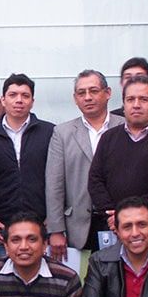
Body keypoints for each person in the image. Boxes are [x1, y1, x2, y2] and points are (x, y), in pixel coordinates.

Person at [88, 76, 148, 253]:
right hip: (113, 229)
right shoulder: (109, 138)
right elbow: (95, 180)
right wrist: (114, 215)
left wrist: (128, 214)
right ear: (123, 105)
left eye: (143, 99)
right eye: (130, 99)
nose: (136, 104)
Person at [46, 70, 124, 262]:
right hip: (78, 225)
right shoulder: (62, 133)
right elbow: (54, 184)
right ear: (75, 98)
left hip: (119, 220)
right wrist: (56, 230)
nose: (87, 97)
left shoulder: (125, 127)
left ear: (107, 93)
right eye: (81, 93)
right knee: (83, 282)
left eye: (93, 91)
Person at [0, 73, 55, 261]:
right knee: (1, 282)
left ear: (32, 101)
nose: (19, 100)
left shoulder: (50, 133)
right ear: (3, 100)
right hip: (1, 228)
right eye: (13, 95)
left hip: (41, 225)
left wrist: (53, 217)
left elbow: (58, 179)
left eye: (25, 95)